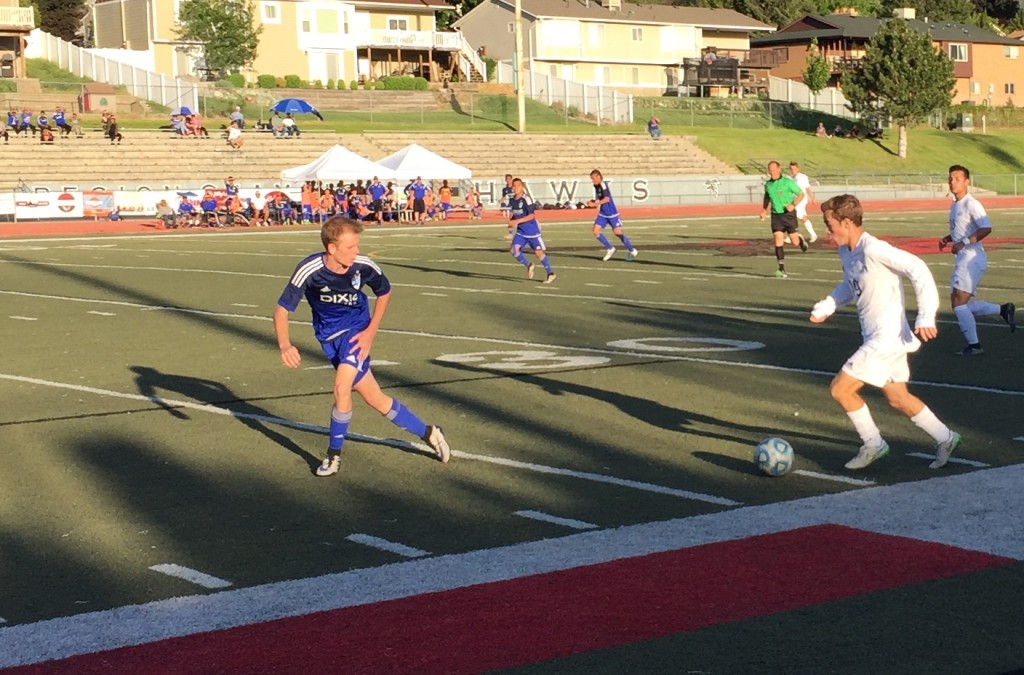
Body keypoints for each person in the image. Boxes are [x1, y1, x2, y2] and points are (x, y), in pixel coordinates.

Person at [273, 216, 451, 476]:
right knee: (376, 399)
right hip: (329, 339)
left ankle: (333, 456)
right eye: (350, 247)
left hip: (356, 333)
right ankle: (430, 433)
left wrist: (369, 332)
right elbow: (281, 309)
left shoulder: (363, 266)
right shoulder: (309, 269)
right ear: (332, 248)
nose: (357, 252)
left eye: (358, 246)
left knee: (341, 387)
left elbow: (385, 291)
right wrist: (285, 344)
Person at [810, 194, 962, 470]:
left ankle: (873, 444)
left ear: (846, 222)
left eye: (829, 224)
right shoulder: (847, 251)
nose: (827, 231)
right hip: (880, 338)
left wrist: (927, 315)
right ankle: (946, 437)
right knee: (897, 398)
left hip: (887, 338)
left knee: (840, 390)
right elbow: (849, 285)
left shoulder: (874, 249)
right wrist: (827, 305)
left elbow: (918, 268)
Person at [939, 164, 1016, 355]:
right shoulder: (955, 205)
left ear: (967, 182)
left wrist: (963, 242)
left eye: (957, 178)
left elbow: (985, 228)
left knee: (958, 303)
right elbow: (962, 229)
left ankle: (975, 345)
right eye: (950, 178)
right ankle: (1003, 310)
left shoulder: (971, 203)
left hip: (972, 259)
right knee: (959, 303)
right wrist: (948, 239)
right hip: (964, 258)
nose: (952, 182)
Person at [760, 160, 807, 278]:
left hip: (788, 215)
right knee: (778, 239)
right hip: (776, 216)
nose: (772, 172)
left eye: (774, 169)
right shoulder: (768, 184)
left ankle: (800, 241)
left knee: (794, 242)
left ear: (779, 169)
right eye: (770, 170)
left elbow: (801, 194)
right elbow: (767, 197)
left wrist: (793, 204)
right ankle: (781, 269)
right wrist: (764, 210)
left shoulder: (787, 182)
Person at [507, 177, 556, 284]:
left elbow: (531, 215)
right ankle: (529, 265)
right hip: (521, 231)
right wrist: (511, 222)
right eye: (514, 186)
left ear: (522, 187)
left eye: (518, 186)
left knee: (538, 253)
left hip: (532, 231)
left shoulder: (526, 199)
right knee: (513, 250)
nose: (515, 188)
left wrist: (516, 221)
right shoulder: (512, 200)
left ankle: (550, 273)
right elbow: (515, 213)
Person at [588, 169, 638, 262]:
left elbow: (606, 199)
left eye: (593, 178)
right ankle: (610, 248)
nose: (592, 181)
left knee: (617, 233)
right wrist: (593, 202)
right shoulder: (596, 186)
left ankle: (631, 249)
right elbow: (600, 199)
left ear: (598, 177)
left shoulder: (603, 185)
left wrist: (595, 204)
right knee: (595, 231)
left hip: (612, 213)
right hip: (603, 213)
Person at [788, 161, 819, 243]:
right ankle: (812, 234)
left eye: (794, 168)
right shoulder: (791, 178)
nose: (793, 170)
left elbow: (808, 188)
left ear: (798, 169)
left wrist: (812, 198)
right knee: (800, 217)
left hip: (801, 200)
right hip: (794, 200)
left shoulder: (802, 177)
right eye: (791, 169)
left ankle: (794, 235)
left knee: (795, 215)